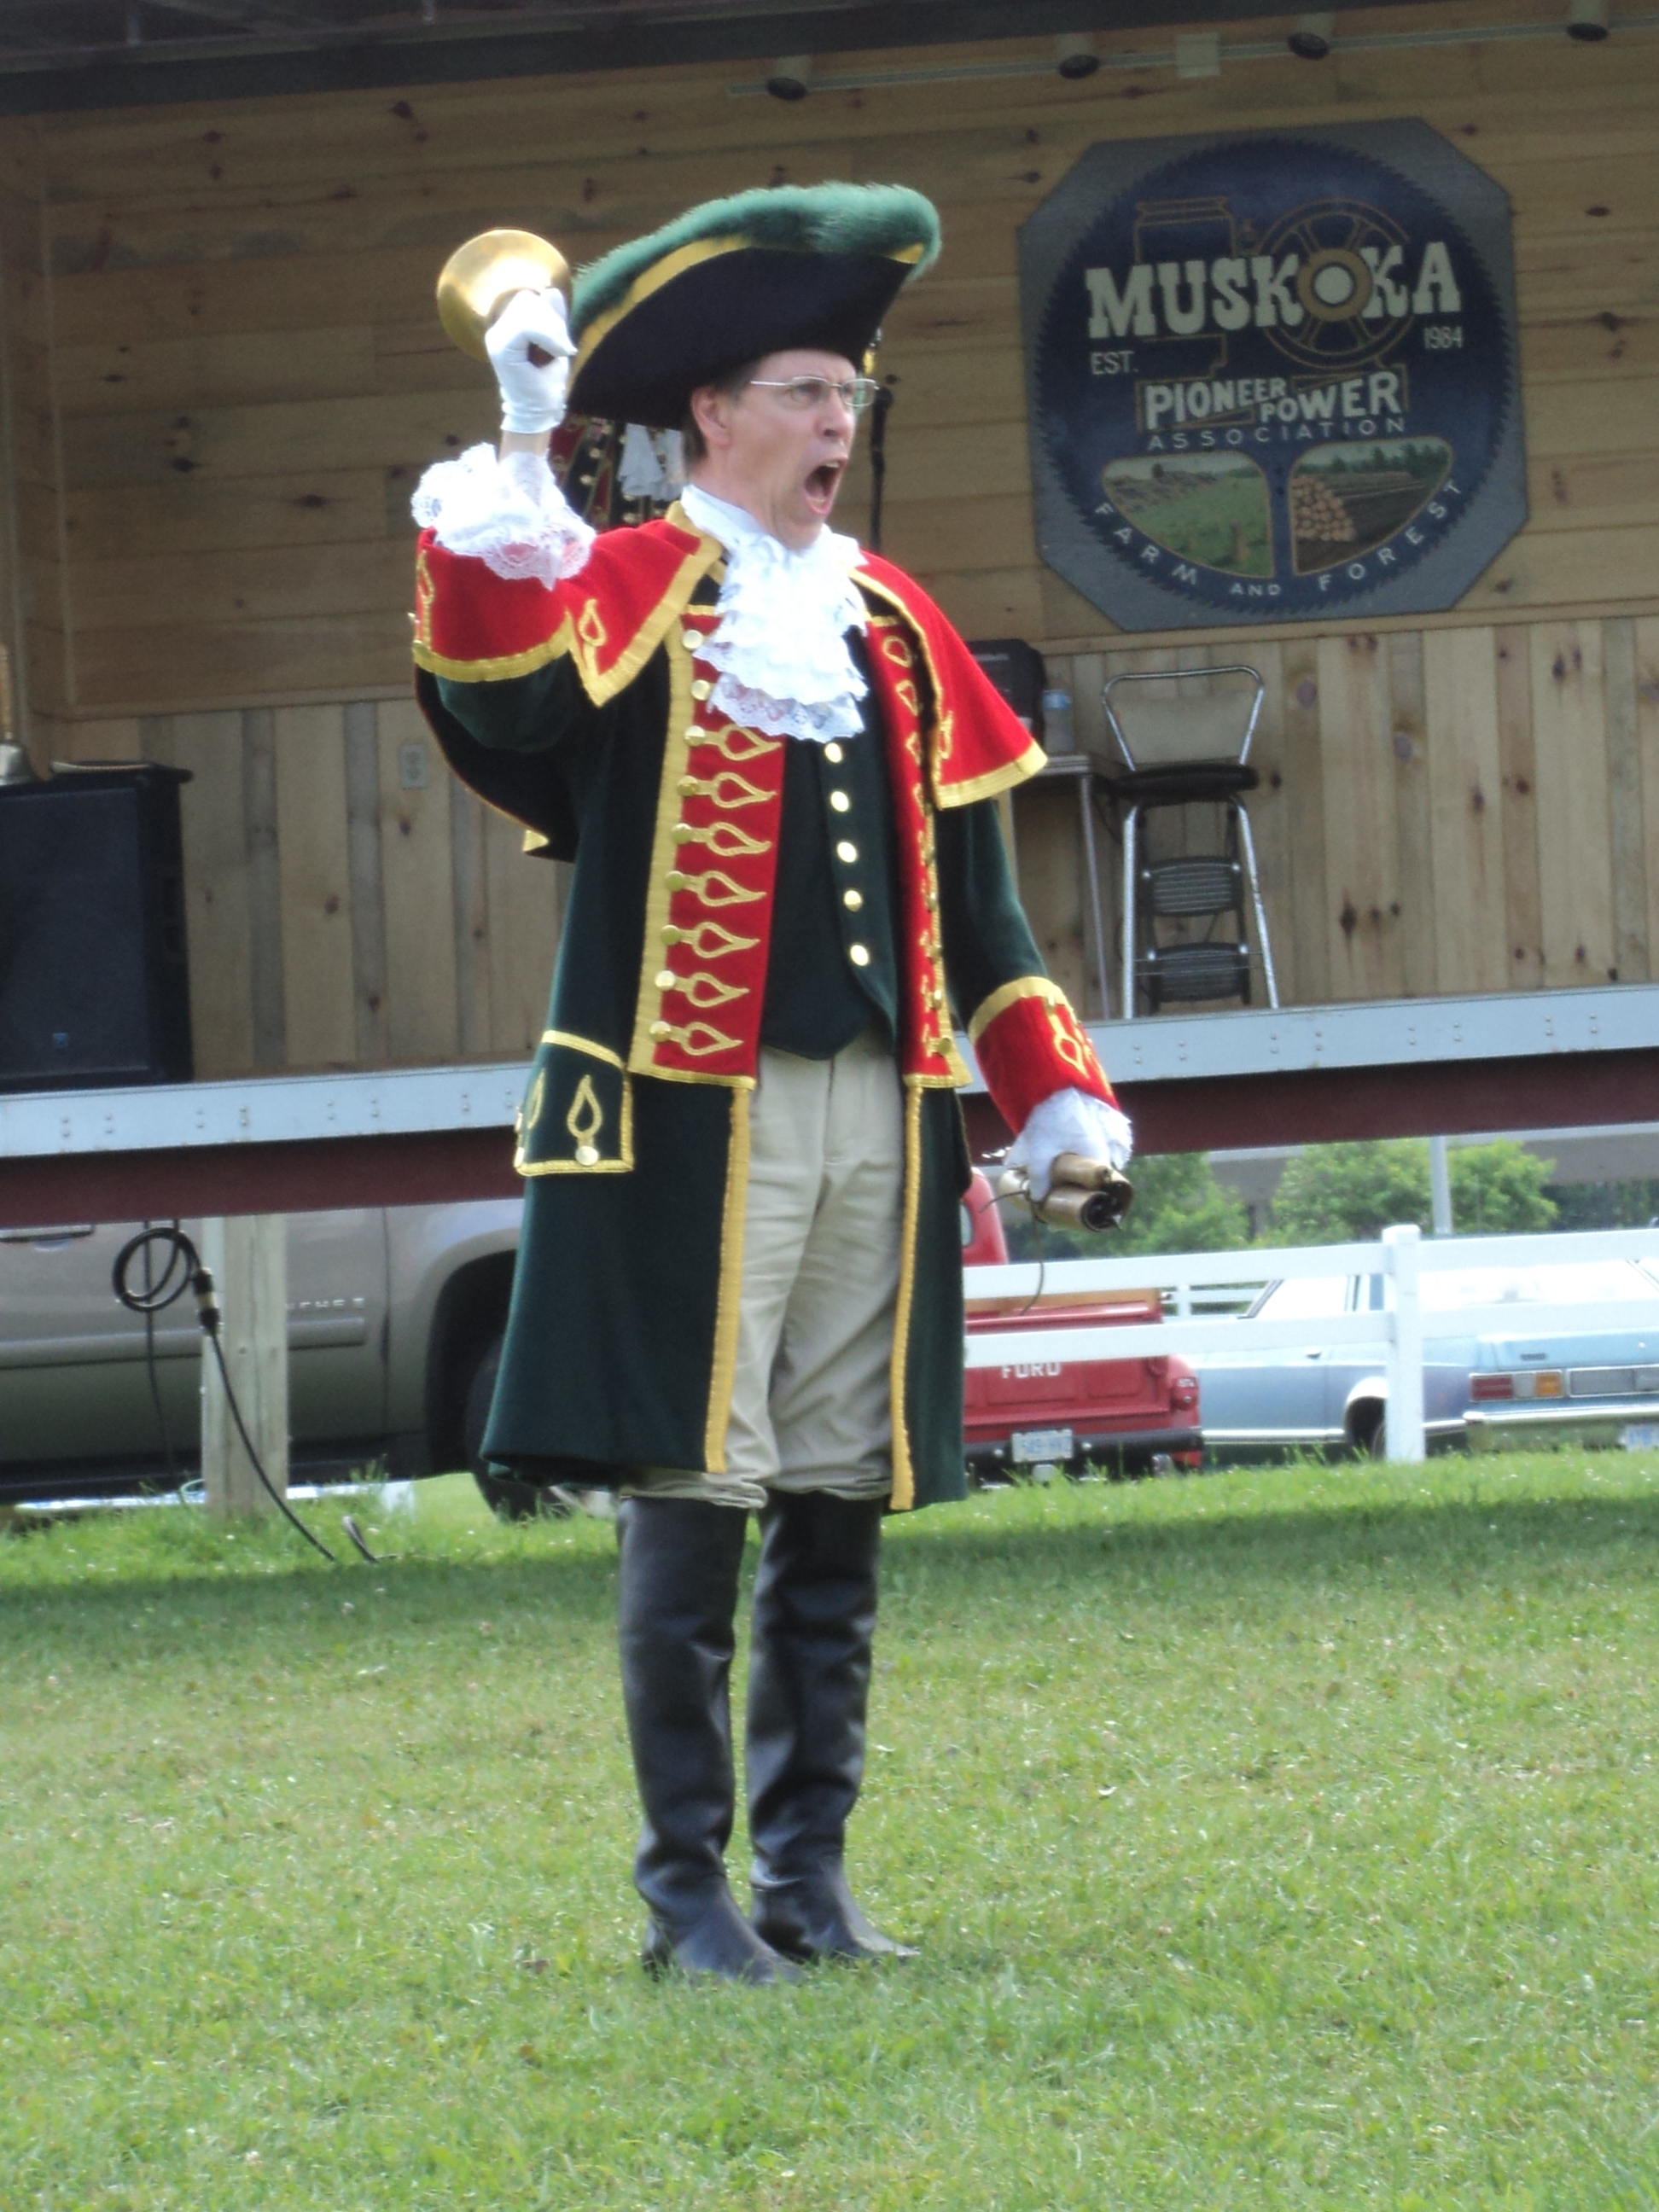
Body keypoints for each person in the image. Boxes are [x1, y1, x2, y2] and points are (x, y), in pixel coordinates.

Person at [410, 183, 1131, 1984]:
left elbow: (979, 906)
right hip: (688, 1118)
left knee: (833, 1490)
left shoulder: (890, 619)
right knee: (695, 1480)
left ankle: (810, 1880)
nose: (838, 425)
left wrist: (1052, 1090)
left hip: (878, 1109)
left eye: (850, 396)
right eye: (808, 392)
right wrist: (520, 442)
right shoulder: (623, 583)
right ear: (712, 414)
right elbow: (495, 688)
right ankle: (687, 1897)